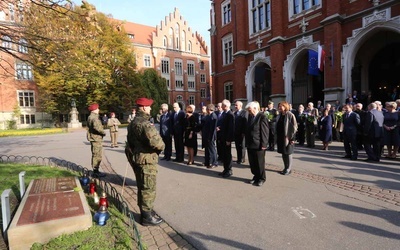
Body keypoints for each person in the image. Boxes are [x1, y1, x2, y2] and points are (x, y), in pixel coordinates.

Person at [126, 97, 165, 226]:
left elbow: (129, 143)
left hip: (137, 158)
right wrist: (161, 146)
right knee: (148, 188)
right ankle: (147, 217)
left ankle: (145, 212)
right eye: (148, 107)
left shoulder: (133, 123)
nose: (150, 108)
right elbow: (158, 143)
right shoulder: (145, 124)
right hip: (147, 160)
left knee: (142, 187)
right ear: (143, 108)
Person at [245, 101, 269, 186]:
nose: (249, 111)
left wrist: (264, 144)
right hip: (250, 143)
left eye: (250, 110)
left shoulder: (262, 117)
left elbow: (265, 132)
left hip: (258, 144)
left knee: (259, 163)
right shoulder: (250, 116)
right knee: (252, 162)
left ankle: (262, 178)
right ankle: (255, 176)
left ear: (255, 108)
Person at [275, 101, 298, 175]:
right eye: (279, 106)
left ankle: (288, 169)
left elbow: (294, 127)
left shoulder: (290, 115)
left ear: (285, 106)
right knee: (283, 153)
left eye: (281, 106)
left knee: (288, 153)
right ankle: (285, 167)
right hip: (280, 137)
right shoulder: (279, 115)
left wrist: (292, 139)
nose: (279, 108)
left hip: (288, 138)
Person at [86, 103, 106, 178]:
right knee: (97, 155)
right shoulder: (94, 117)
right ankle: (95, 171)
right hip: (96, 138)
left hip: (94, 138)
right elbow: (97, 127)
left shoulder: (90, 117)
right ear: (94, 110)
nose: (98, 110)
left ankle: (96, 170)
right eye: (97, 108)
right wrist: (103, 132)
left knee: (96, 154)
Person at [217, 99, 235, 178]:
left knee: (228, 155)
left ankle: (229, 170)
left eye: (222, 105)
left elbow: (231, 128)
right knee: (224, 154)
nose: (221, 107)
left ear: (225, 106)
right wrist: (220, 127)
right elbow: (224, 125)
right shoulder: (224, 113)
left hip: (227, 138)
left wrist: (229, 139)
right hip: (222, 137)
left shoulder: (230, 114)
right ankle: (225, 169)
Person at [202, 104, 218, 169]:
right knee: (207, 150)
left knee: (212, 150)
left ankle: (214, 163)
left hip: (210, 136)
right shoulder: (209, 115)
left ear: (208, 109)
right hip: (207, 135)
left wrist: (210, 137)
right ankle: (207, 162)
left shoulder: (213, 116)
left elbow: (212, 129)